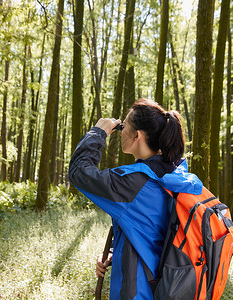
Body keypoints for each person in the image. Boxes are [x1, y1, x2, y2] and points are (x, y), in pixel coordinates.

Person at [69, 99, 203, 300]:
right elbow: (154, 231)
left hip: (138, 292)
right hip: (164, 288)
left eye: (124, 126)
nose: (120, 132)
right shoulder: (175, 176)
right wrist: (118, 254)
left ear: (137, 135)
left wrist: (98, 132)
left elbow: (79, 172)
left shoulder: (134, 182)